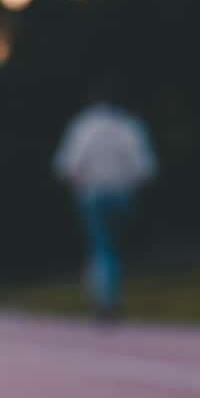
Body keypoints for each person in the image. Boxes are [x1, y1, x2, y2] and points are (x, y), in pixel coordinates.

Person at [53, 89, 158, 319]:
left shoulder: (83, 126)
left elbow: (68, 167)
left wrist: (80, 185)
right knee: (112, 248)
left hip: (92, 194)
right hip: (122, 194)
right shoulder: (129, 126)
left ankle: (104, 299)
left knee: (101, 247)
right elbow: (145, 169)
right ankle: (107, 295)